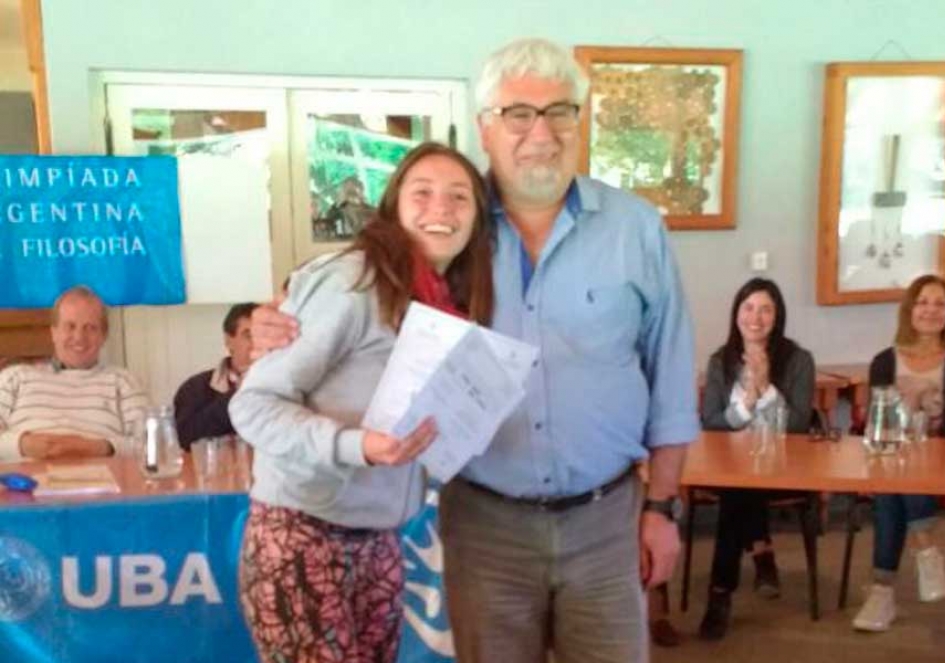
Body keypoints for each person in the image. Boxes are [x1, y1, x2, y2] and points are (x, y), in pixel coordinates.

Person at [250, 37, 698, 663]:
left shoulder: (636, 229)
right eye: (518, 113)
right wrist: (279, 313)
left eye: (560, 111)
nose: (540, 133)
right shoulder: (446, 227)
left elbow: (672, 385)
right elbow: (355, 279)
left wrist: (663, 508)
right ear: (486, 129)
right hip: (485, 526)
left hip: (608, 522)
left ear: (579, 121)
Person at [229, 142, 494, 663]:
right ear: (393, 206)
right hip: (302, 534)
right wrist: (357, 446)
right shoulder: (352, 283)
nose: (441, 209)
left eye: (459, 197)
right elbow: (253, 406)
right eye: (423, 193)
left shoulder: (450, 304)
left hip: (378, 540)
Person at [852, 274, 945, 632]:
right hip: (896, 460)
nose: (931, 311)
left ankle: (881, 591)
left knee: (896, 481)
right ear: (909, 309)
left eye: (940, 304)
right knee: (893, 480)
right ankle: (925, 550)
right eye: (923, 302)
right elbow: (878, 427)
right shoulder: (884, 361)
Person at [697, 278, 815, 640]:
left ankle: (720, 594)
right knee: (738, 488)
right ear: (736, 314)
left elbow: (796, 427)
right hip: (731, 466)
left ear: (777, 316)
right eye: (748, 308)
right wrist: (746, 402)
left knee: (739, 492)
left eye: (766, 309)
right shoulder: (721, 361)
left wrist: (765, 387)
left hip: (782, 464)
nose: (756, 317)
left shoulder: (798, 360)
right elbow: (711, 425)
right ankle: (760, 550)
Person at [0, 285, 148, 461]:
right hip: (23, 484)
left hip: (102, 482)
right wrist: (23, 445)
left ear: (103, 335)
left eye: (90, 328)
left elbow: (151, 445)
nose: (79, 337)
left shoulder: (123, 382)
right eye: (70, 326)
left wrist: (102, 448)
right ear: (53, 332)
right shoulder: (14, 378)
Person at [172, 302, 258, 450]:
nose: (258, 343)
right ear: (228, 340)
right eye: (248, 335)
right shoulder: (194, 388)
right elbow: (185, 441)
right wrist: (241, 391)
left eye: (264, 335)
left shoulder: (288, 384)